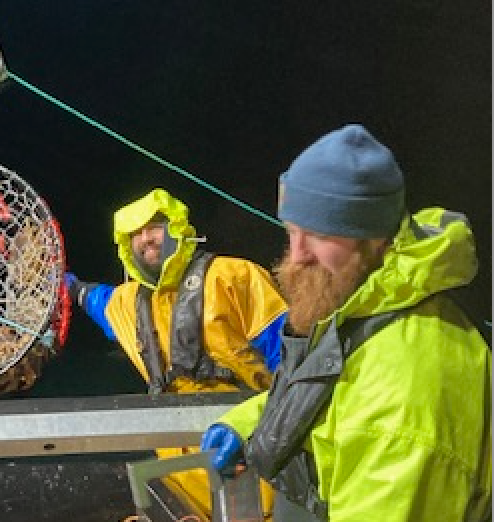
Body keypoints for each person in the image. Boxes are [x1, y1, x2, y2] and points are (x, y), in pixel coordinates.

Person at [202, 124, 492, 522]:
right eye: (292, 231)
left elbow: (373, 415)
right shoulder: (360, 305)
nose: (298, 255)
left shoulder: (403, 392)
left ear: (375, 240)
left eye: (320, 235)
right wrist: (247, 423)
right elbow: (332, 394)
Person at [67, 187, 288, 518]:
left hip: (251, 455)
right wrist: (69, 287)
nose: (146, 239)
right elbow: (98, 300)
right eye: (135, 234)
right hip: (181, 475)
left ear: (176, 227)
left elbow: (294, 366)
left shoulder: (234, 277)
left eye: (154, 226)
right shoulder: (129, 304)